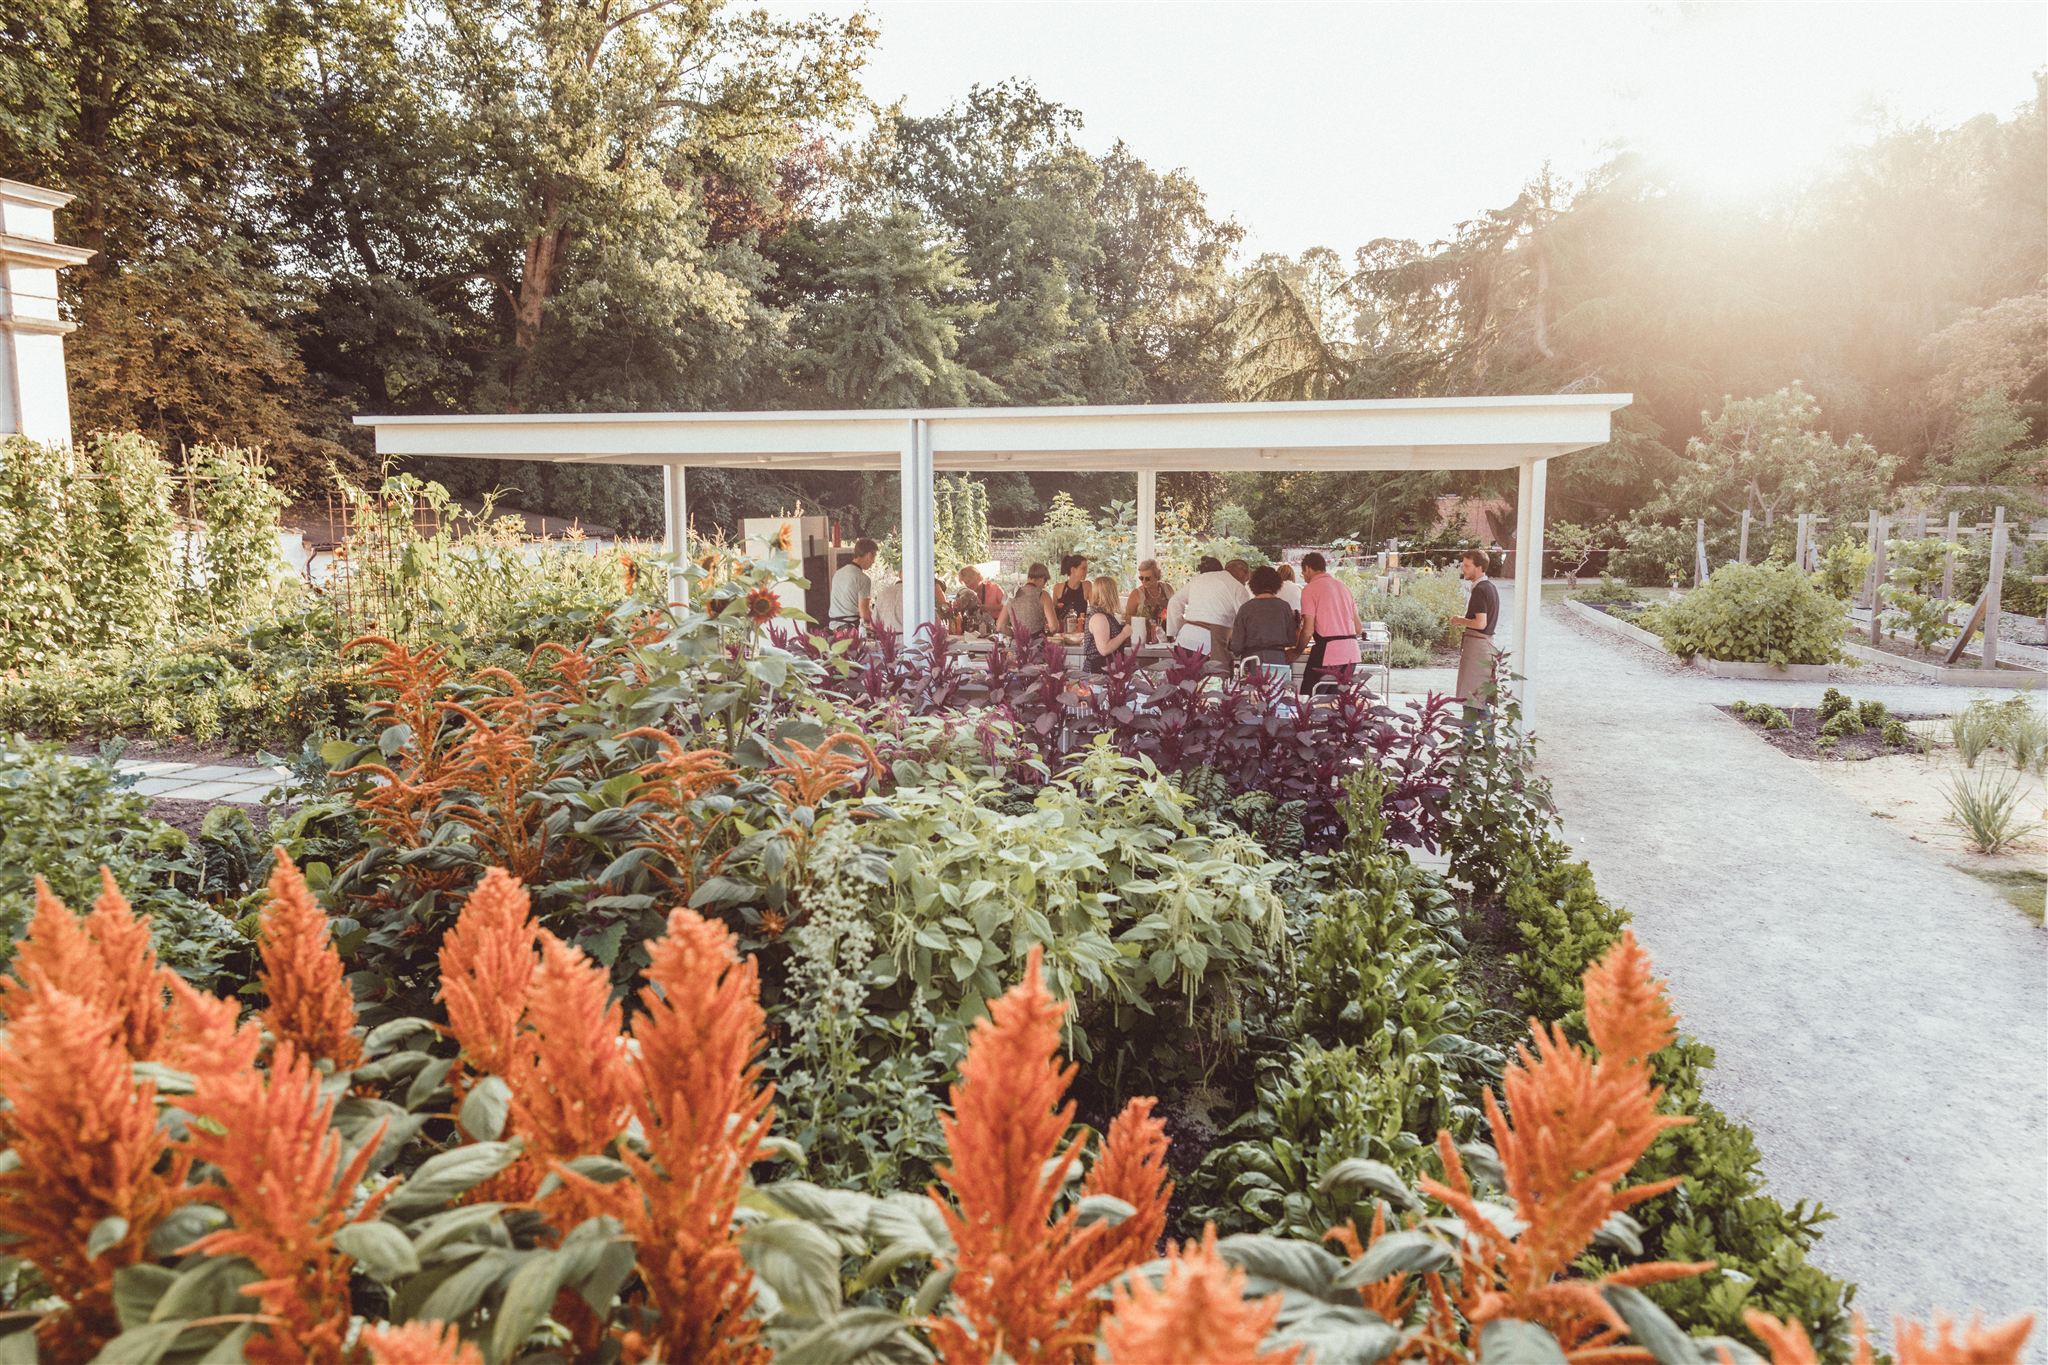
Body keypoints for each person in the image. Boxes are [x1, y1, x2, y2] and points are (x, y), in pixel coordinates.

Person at [1165, 555, 1251, 668]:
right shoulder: (1238, 588)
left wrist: (1177, 630)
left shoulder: (1201, 578)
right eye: (1246, 579)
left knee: (1183, 682)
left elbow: (1174, 602)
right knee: (1213, 683)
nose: (1245, 582)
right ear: (1243, 572)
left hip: (1184, 640)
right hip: (1210, 644)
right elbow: (1244, 620)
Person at [1296, 551, 1362, 693]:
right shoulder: (1343, 587)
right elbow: (1358, 628)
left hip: (1328, 652)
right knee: (1338, 703)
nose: (1304, 576)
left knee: (1310, 697)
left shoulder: (1309, 589)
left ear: (1307, 568)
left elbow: (1308, 629)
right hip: (1351, 653)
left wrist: (1297, 651)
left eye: (1303, 572)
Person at [1451, 547, 1502, 723]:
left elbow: (1481, 623)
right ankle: (1483, 745)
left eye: (1467, 566)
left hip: (1478, 647)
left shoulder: (1480, 589)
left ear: (1479, 568)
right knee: (1478, 701)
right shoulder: (1490, 587)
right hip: (1485, 646)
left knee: (1472, 700)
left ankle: (1469, 744)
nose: (1463, 569)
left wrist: (1460, 620)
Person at [1231, 565, 1298, 669]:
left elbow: (1236, 645)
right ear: (1277, 584)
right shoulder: (1284, 607)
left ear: (1253, 584)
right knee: (1277, 685)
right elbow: (1292, 639)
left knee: (1252, 685)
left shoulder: (1246, 608)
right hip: (1278, 658)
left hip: (1252, 659)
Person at [1081, 575, 1133, 674]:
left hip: (1107, 669)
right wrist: (1124, 634)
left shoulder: (1105, 614)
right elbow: (1104, 649)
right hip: (1098, 672)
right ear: (1110, 594)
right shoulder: (1099, 617)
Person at [829, 537, 878, 634]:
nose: (873, 562)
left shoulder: (838, 573)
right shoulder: (863, 579)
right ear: (868, 555)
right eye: (874, 557)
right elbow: (864, 613)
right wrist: (878, 621)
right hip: (849, 631)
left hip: (833, 629)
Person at [997, 562, 1055, 640]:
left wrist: (1016, 633)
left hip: (1017, 646)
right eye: (1045, 583)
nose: (1044, 586)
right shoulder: (1043, 595)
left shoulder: (1012, 593)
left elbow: (1000, 627)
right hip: (1037, 646)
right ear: (1042, 579)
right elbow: (1053, 627)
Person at [1055, 554, 1091, 627]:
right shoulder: (1058, 587)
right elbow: (1053, 613)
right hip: (1063, 632)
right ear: (1073, 570)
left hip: (1081, 631)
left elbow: (1094, 609)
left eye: (1086, 569)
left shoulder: (1087, 586)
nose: (1086, 571)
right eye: (1083, 568)